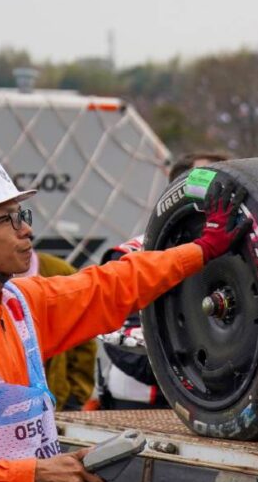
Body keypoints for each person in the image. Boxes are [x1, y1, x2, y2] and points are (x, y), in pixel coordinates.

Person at [0, 151, 248, 482]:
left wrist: (200, 250)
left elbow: (111, 286)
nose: (26, 230)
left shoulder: (19, 305)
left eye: (23, 215)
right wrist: (36, 473)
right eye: (8, 219)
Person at [97, 149, 232, 410]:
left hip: (220, 403)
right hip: (141, 404)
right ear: (175, 193)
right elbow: (123, 344)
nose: (219, 195)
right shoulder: (131, 255)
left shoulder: (251, 258)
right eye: (208, 183)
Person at [17, 254, 95, 411]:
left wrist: (77, 394)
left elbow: (85, 336)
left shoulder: (60, 272)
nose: (24, 241)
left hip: (58, 399)